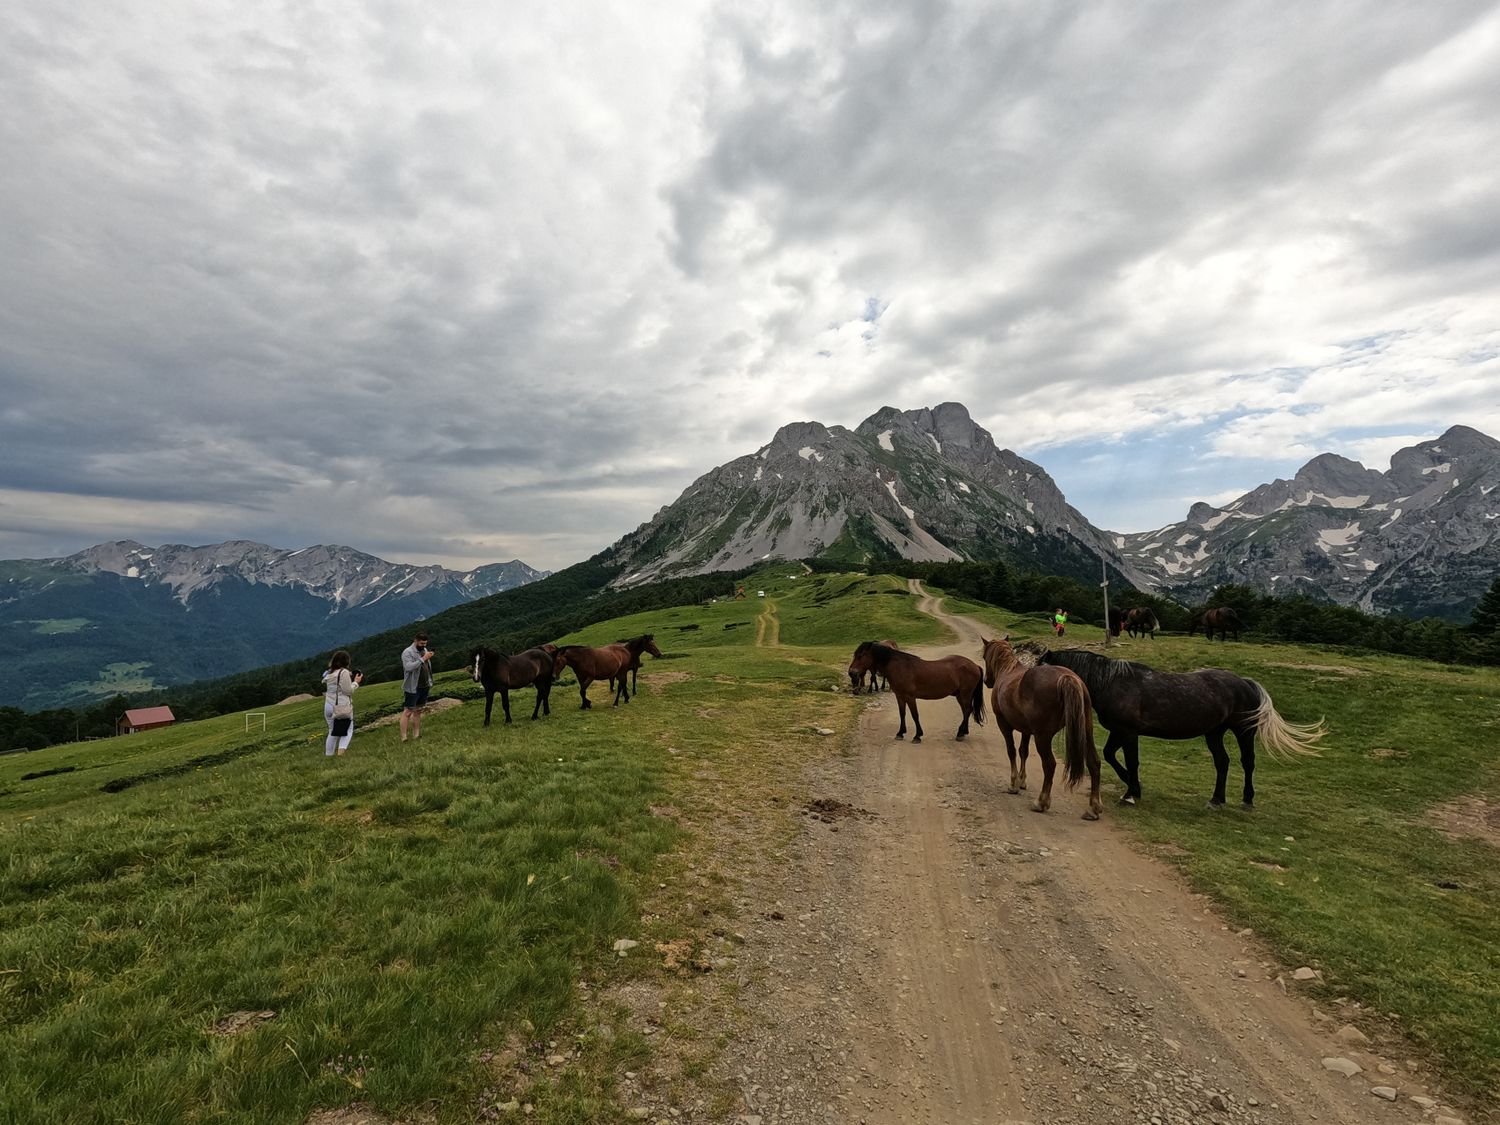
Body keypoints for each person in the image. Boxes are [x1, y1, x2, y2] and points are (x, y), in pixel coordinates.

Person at [321, 650, 363, 756]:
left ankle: (329, 755)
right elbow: (348, 691)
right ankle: (341, 753)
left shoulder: (329, 673)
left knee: (332, 731)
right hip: (341, 706)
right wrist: (356, 682)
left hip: (328, 705)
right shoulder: (343, 672)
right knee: (348, 729)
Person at [400, 631, 434, 742]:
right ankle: (404, 737)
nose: (424, 646)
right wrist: (423, 659)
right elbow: (408, 667)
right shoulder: (407, 652)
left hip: (424, 685)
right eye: (421, 644)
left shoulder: (424, 650)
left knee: (418, 710)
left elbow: (427, 667)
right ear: (415, 641)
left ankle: (416, 735)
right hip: (412, 687)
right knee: (408, 711)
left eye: (425, 644)